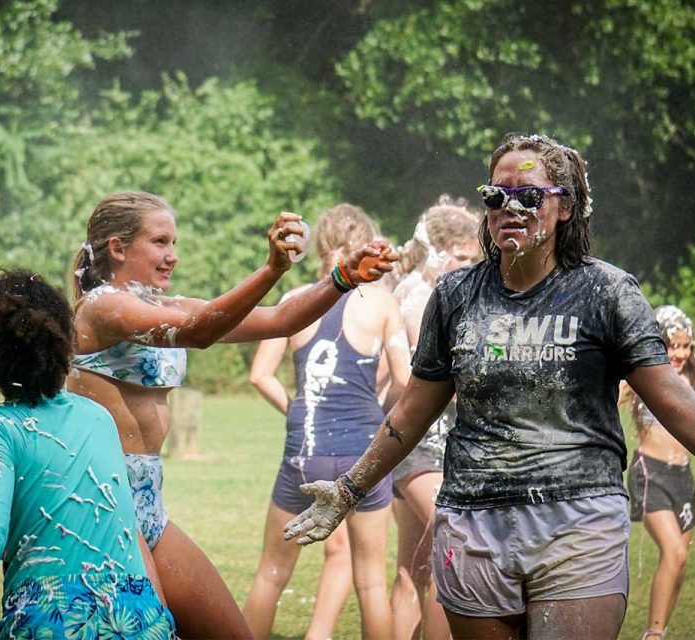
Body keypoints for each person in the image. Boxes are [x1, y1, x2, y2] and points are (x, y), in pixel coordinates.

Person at [282, 133, 695, 640]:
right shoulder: (456, 296)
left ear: (564, 207)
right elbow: (412, 412)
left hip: (578, 519)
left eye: (529, 195)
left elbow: (672, 399)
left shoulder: (606, 291)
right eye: (497, 195)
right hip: (475, 522)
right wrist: (348, 489)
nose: (510, 207)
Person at [67, 191, 395, 639]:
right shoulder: (103, 306)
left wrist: (342, 278)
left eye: (174, 244)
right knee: (145, 631)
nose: (173, 257)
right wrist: (271, 269)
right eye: (160, 242)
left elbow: (280, 319)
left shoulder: (162, 305)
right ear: (118, 248)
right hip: (102, 500)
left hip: (147, 499)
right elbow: (198, 333)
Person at [0, 270, 176, 639]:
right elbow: (50, 521)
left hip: (53, 623)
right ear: (65, 345)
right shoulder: (97, 418)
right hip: (136, 617)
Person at [243, 204, 410, 640]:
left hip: (305, 451)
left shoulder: (294, 300)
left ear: (320, 245)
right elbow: (406, 380)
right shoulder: (381, 301)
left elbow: (259, 375)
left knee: (271, 574)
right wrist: (378, 408)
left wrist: (298, 409)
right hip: (363, 455)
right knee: (371, 580)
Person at [389, 197, 480, 640]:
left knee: (414, 567)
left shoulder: (435, 292)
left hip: (439, 443)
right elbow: (417, 379)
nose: (468, 266)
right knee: (456, 547)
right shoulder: (417, 296)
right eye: (461, 257)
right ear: (438, 251)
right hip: (418, 444)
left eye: (472, 258)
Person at [624, 305, 695, 640]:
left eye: (685, 346)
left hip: (682, 477)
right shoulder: (643, 375)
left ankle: (661, 629)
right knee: (675, 552)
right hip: (649, 472)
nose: (681, 353)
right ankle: (652, 636)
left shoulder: (694, 377)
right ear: (660, 343)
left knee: (680, 565)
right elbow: (608, 396)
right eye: (674, 346)